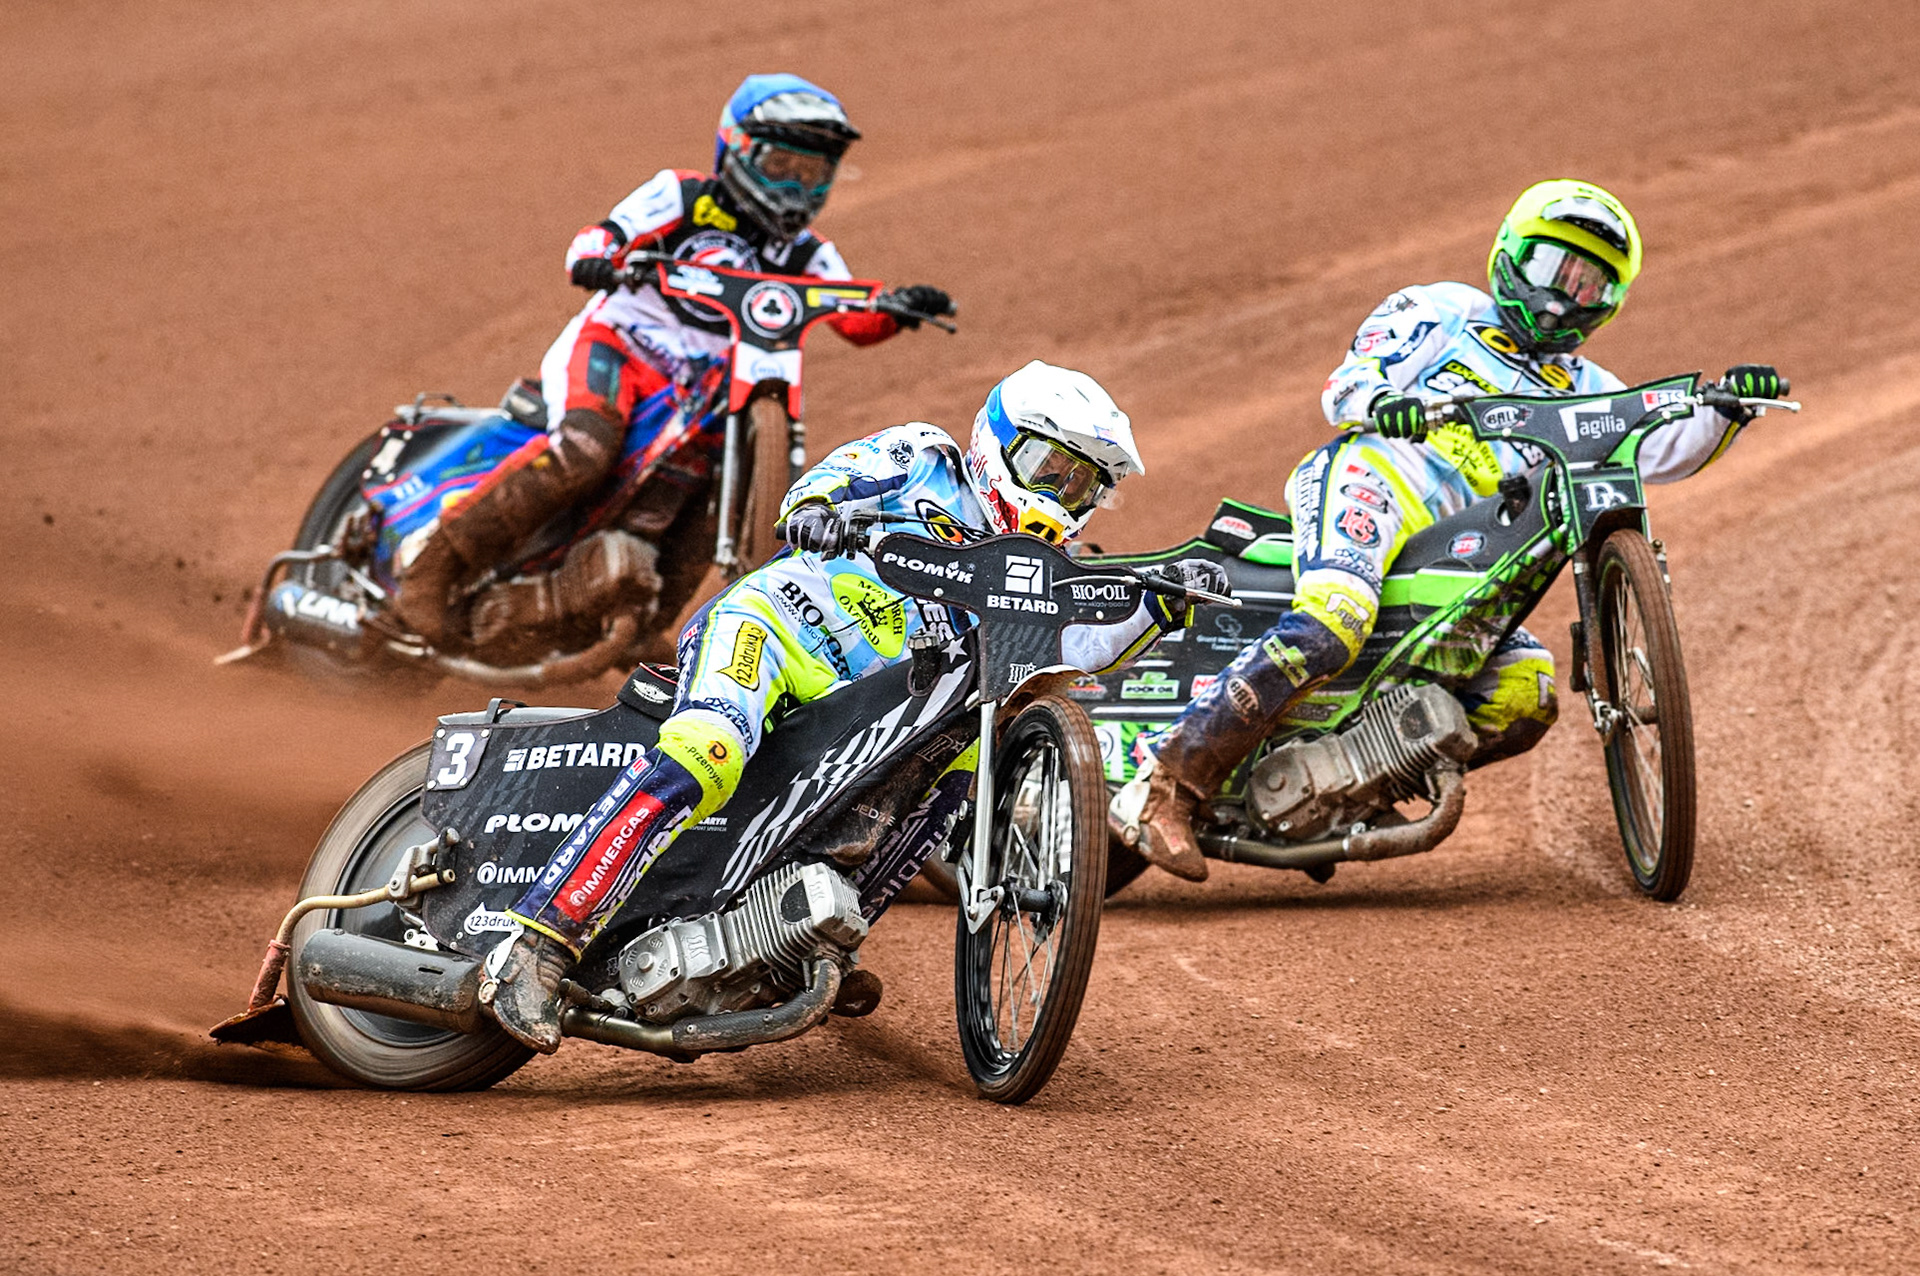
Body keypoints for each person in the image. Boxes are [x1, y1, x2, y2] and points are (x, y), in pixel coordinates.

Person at [483, 360, 1230, 1050]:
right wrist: (820, 510)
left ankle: (808, 944)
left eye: (1083, 488)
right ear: (1002, 441)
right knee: (708, 752)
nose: (1061, 498)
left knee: (955, 769)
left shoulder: (1046, 573)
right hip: (776, 630)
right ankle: (539, 945)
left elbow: (1076, 648)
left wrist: (1166, 600)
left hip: (869, 711)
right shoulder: (927, 458)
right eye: (1052, 470)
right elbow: (829, 482)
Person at [1129, 179, 1790, 881]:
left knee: (1526, 689)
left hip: (1457, 550)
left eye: (1588, 283)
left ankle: (1352, 784)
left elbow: (1656, 446)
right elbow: (1350, 381)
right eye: (1550, 267)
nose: (1563, 295)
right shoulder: (1441, 311)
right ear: (1510, 253)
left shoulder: (1589, 387)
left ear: (1612, 302)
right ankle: (1168, 782)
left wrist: (1726, 407)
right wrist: (1387, 401)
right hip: (1376, 481)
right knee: (1336, 618)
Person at [395, 73, 954, 646]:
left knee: (716, 493)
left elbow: (853, 317)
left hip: (707, 394)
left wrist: (900, 306)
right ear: (737, 150)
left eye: (812, 174)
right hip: (620, 349)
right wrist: (599, 257)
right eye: (782, 166)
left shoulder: (807, 253)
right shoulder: (685, 196)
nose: (795, 188)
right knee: (587, 448)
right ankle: (430, 569)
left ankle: (647, 622)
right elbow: (602, 236)